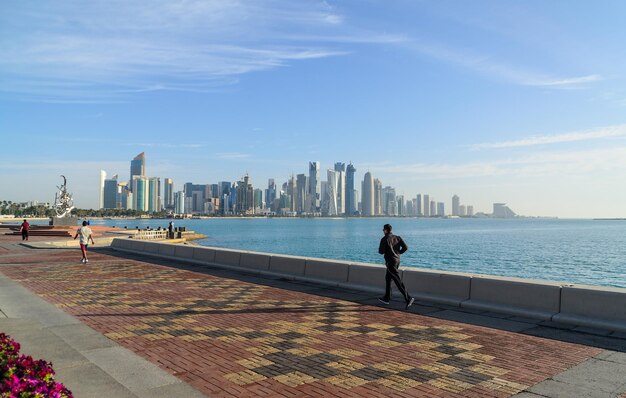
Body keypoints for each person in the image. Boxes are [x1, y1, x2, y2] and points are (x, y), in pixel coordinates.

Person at [378, 224, 414, 310]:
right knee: (388, 278)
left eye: (383, 230)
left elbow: (381, 251)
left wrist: (387, 251)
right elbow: (405, 247)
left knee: (397, 281)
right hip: (397, 261)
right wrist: (398, 253)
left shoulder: (384, 239)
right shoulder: (398, 237)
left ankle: (408, 298)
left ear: (386, 230)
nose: (383, 231)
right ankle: (386, 298)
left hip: (390, 262)